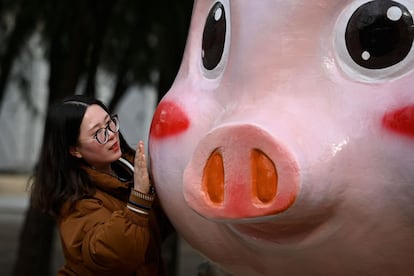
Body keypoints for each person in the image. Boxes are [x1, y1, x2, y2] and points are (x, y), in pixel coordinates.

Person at [29, 94, 174, 275]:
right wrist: (139, 200)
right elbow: (117, 256)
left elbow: (158, 229)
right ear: (75, 150)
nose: (112, 135)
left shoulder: (128, 172)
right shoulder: (76, 203)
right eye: (98, 133)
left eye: (109, 123)